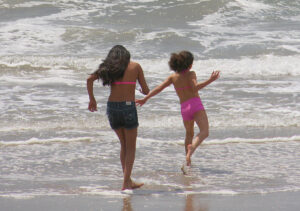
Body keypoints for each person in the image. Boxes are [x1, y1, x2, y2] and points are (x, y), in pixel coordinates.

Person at [136, 51, 220, 166]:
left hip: (184, 108)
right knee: (204, 132)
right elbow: (195, 88)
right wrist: (210, 80)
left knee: (189, 134)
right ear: (189, 65)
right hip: (195, 105)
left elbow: (159, 88)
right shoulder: (191, 74)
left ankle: (187, 161)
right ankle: (192, 149)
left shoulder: (173, 77)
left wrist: (146, 98)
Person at [87, 45, 149, 190]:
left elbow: (89, 79)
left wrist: (92, 100)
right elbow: (146, 91)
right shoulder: (135, 66)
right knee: (131, 147)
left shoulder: (110, 68)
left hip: (112, 107)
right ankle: (126, 182)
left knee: (124, 145)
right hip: (128, 107)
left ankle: (128, 180)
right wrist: (141, 90)